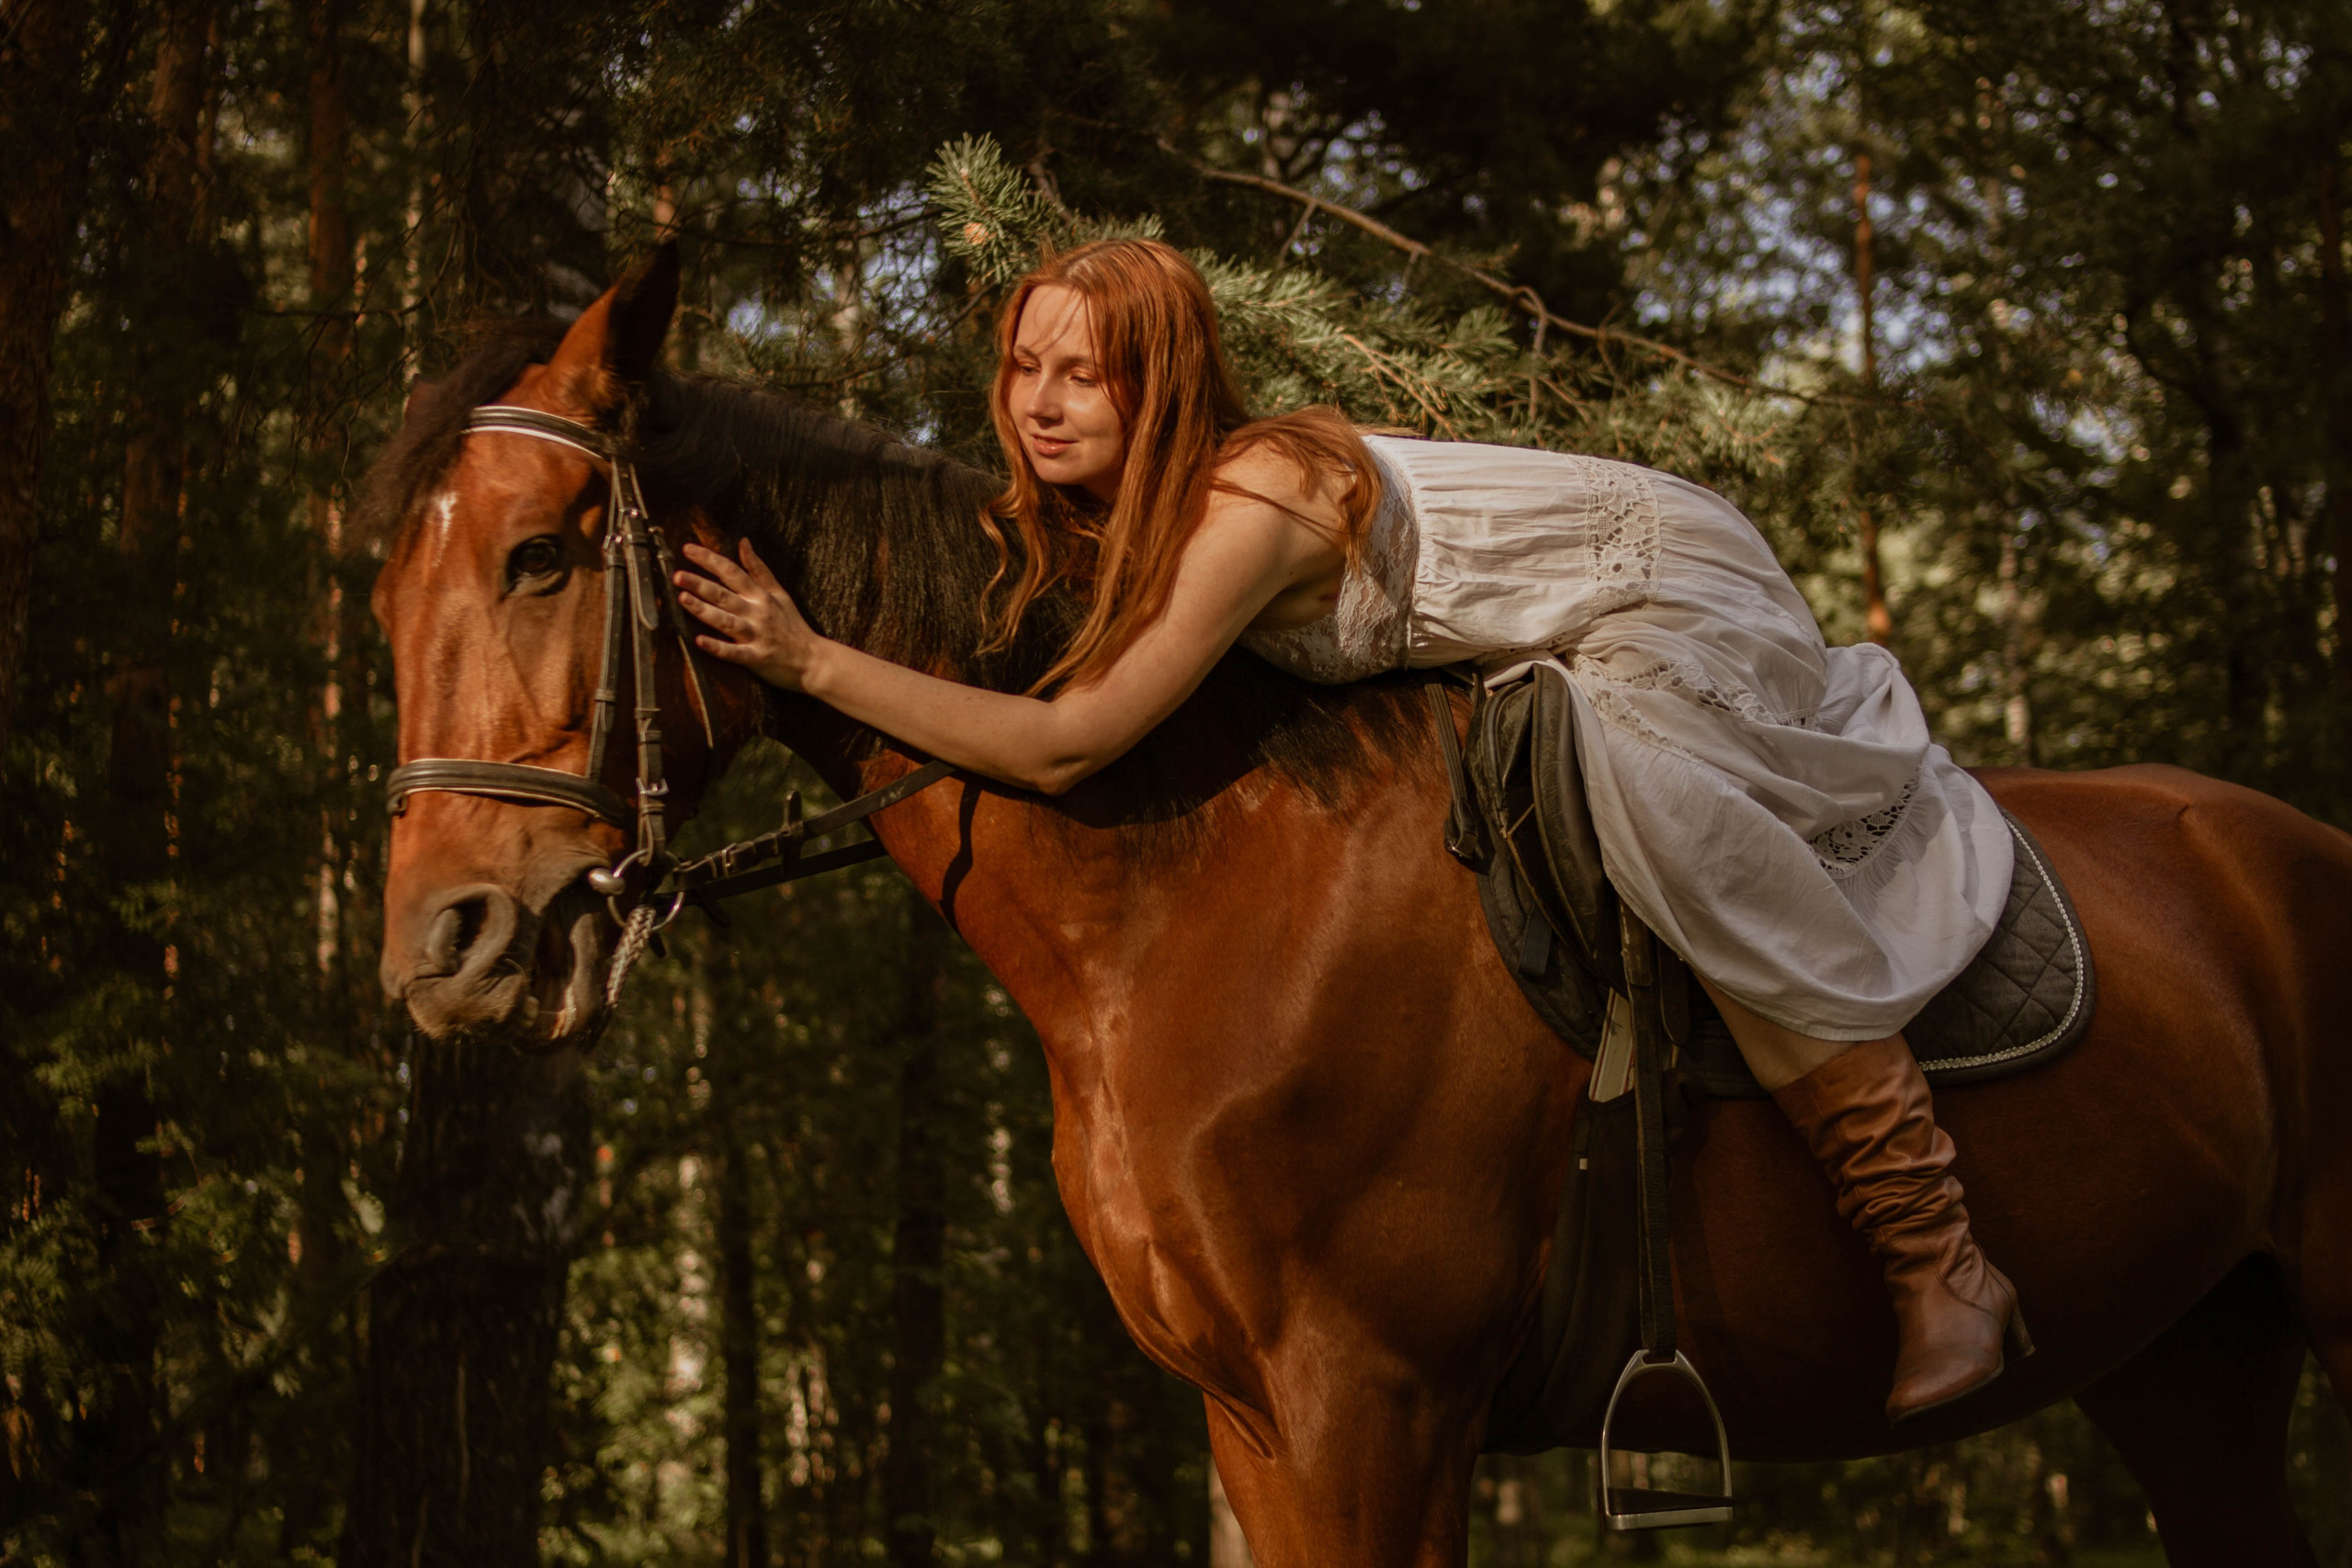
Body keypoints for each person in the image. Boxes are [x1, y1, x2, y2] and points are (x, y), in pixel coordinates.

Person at [674, 237, 2030, 1424]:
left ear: (1166, 381)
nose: (1039, 403)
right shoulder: (1134, 511)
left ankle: (1932, 1251)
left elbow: (1073, 741)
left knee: (1669, 818)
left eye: (1084, 373)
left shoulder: (1250, 506)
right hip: (1569, 613)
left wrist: (810, 666)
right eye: (1026, 365)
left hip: (1668, 588)